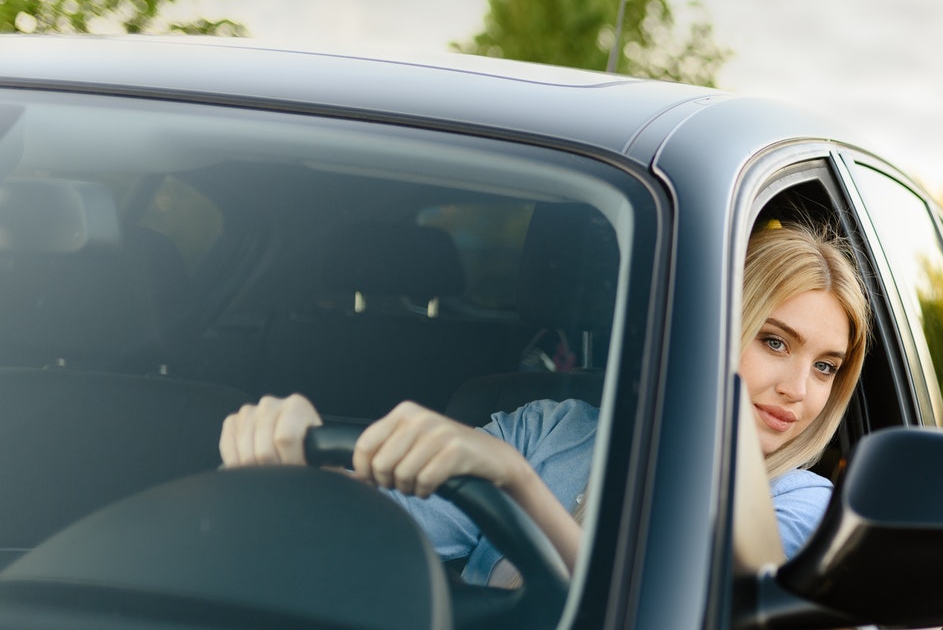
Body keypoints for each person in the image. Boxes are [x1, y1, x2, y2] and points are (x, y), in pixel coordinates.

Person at [218, 222, 870, 569]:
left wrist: (519, 483)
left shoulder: (805, 506)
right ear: (716, 325)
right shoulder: (553, 428)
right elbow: (386, 535)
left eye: (827, 367)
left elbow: (725, 598)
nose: (797, 390)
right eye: (776, 343)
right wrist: (301, 463)